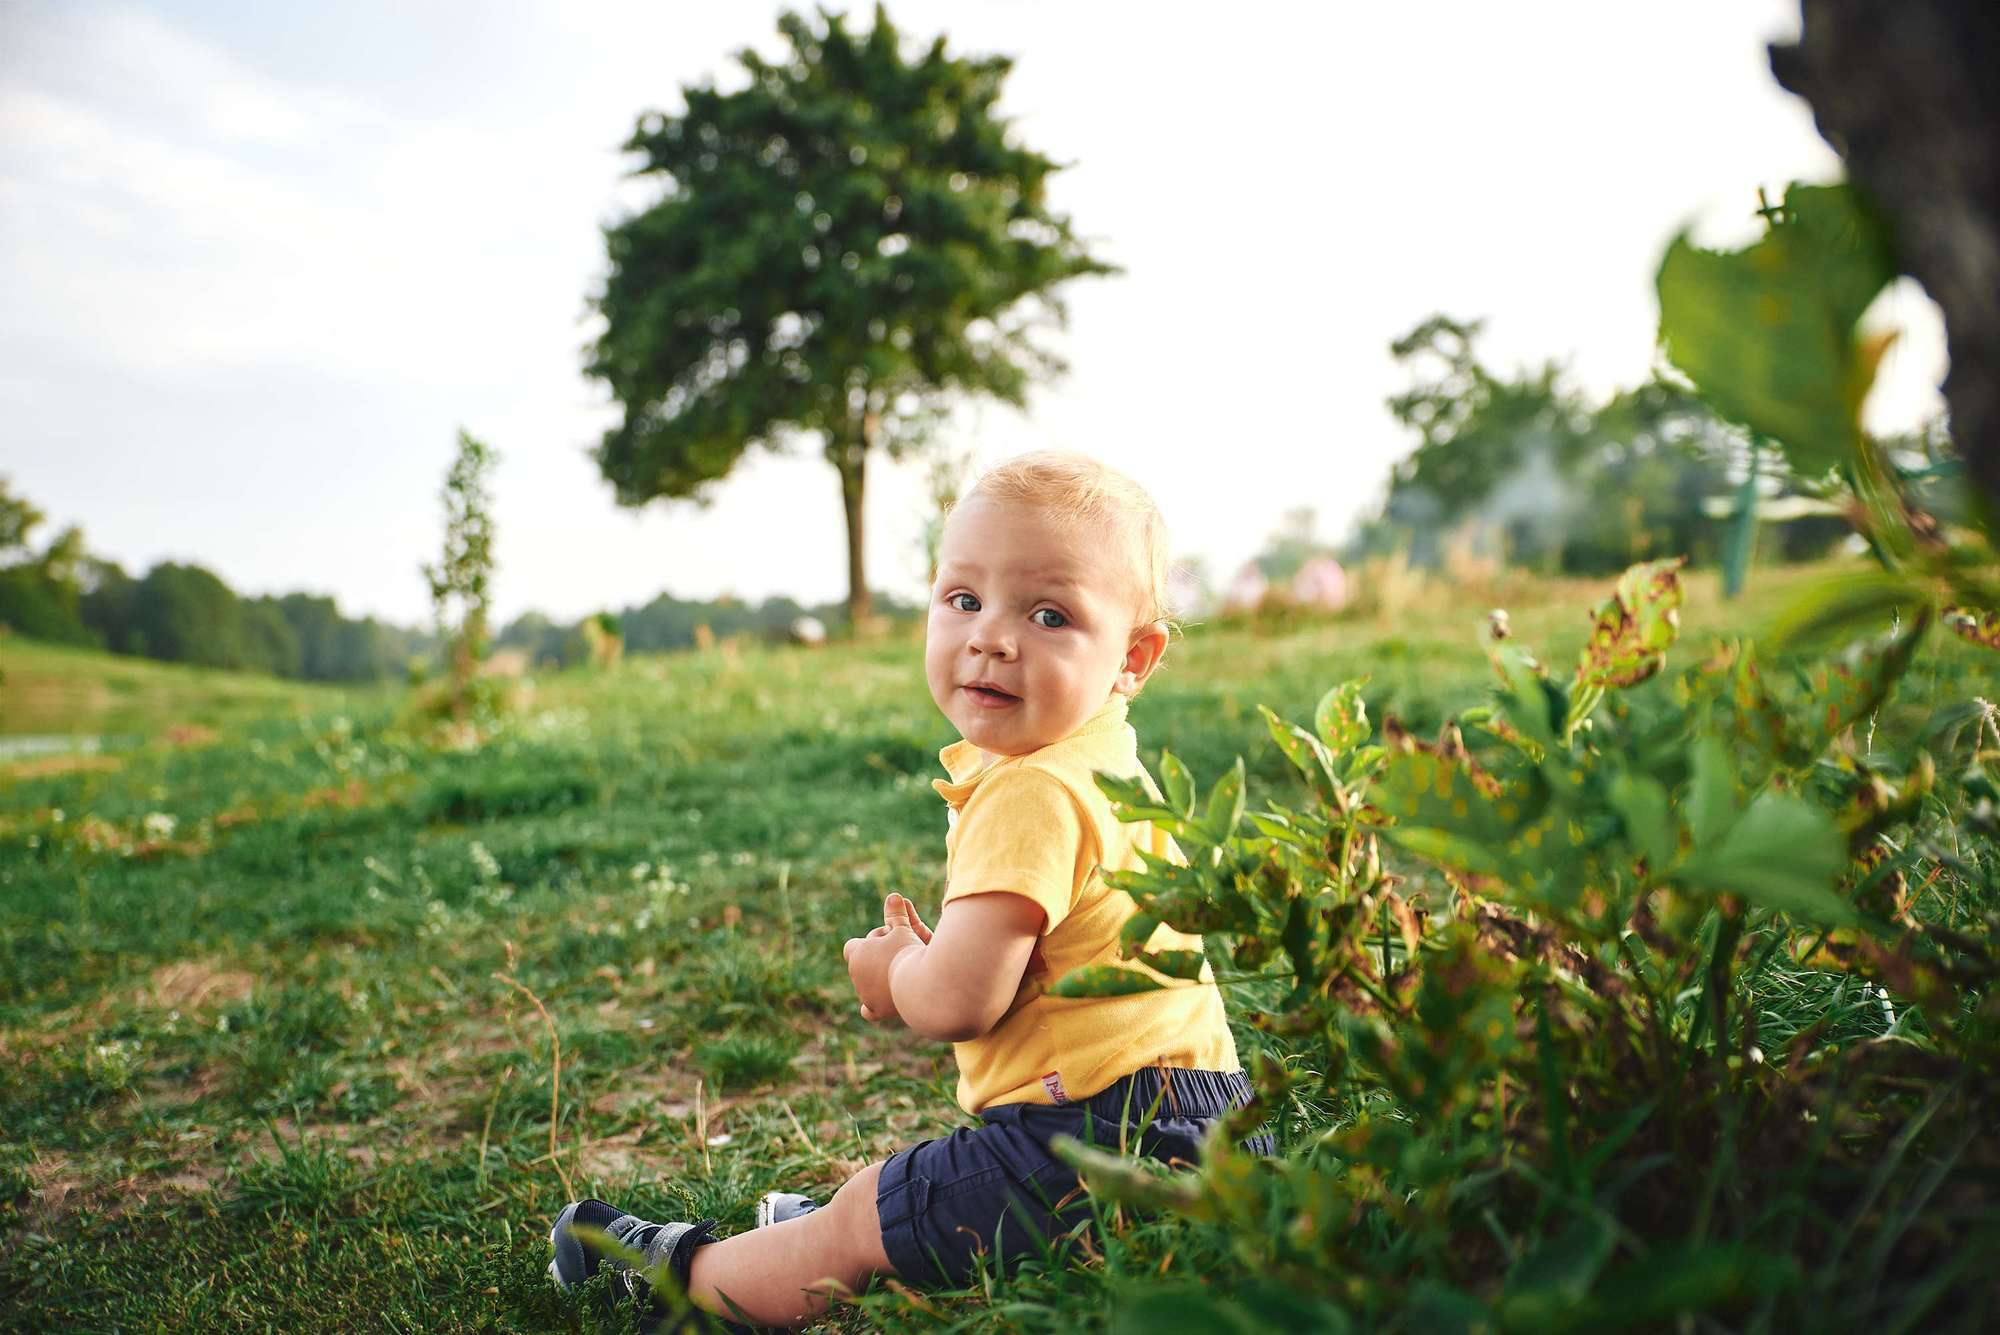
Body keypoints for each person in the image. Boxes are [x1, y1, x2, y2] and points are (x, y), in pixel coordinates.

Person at [548, 452, 1268, 1329]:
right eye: (963, 598)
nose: (991, 637)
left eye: (1049, 614)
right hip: (1213, 1132)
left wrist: (895, 970)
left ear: (1134, 656)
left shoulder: (1034, 789)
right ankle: (845, 1245)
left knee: (864, 1214)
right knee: (916, 1192)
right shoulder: (1104, 759)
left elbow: (961, 1000)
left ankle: (680, 1281)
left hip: (1103, 1150)